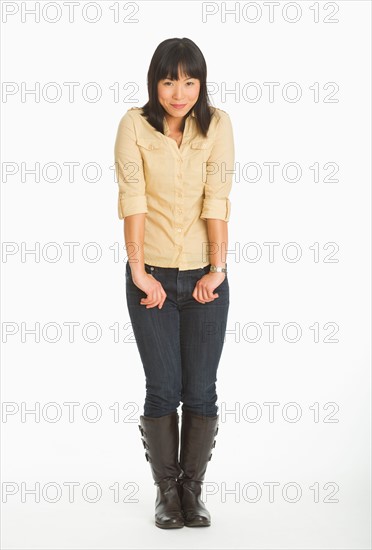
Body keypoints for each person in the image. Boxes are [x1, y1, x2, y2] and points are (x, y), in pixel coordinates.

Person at [114, 37, 235, 529]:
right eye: (168, 80)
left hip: (206, 277)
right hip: (154, 278)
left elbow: (218, 199)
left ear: (200, 83)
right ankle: (167, 493)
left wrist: (218, 269)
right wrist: (140, 272)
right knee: (163, 389)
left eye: (189, 81)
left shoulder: (218, 125)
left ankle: (192, 490)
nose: (178, 92)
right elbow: (132, 198)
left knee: (201, 391)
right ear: (154, 82)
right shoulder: (134, 125)